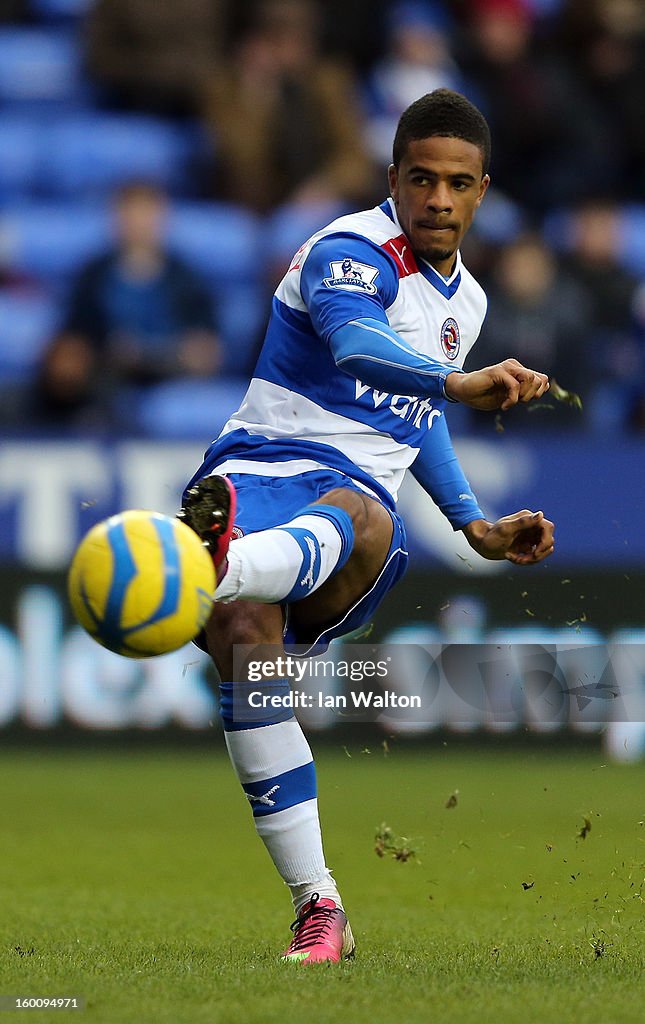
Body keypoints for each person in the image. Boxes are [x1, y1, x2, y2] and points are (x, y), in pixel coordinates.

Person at [177, 89, 555, 964]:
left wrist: (471, 524)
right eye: (420, 178)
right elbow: (356, 350)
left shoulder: (468, 305)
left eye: (457, 184)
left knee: (352, 509)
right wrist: (457, 384)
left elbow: (408, 415)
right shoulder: (347, 249)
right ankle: (322, 910)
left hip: (351, 509)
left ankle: (204, 568)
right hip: (253, 470)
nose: (437, 199)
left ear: (482, 191)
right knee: (245, 647)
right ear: (392, 177)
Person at [33, 181, 221, 427]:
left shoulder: (188, 279)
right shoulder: (93, 276)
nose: (138, 223)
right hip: (105, 378)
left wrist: (156, 355)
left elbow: (207, 352)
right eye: (131, 214)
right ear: (116, 219)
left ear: (162, 218)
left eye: (146, 213)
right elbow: (73, 342)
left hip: (171, 377)